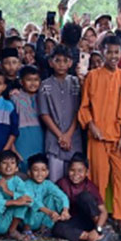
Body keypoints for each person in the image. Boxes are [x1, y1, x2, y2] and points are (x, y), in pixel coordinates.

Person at [78, 35, 121, 237]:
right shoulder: (93, 76)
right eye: (109, 52)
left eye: (117, 52)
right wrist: (91, 125)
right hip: (98, 136)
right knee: (98, 180)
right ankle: (98, 219)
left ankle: (120, 219)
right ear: (102, 52)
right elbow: (84, 106)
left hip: (118, 137)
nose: (113, 56)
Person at [38, 47, 83, 182]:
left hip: (73, 138)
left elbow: (79, 111)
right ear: (51, 63)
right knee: (54, 180)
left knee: (74, 179)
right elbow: (44, 114)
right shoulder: (45, 85)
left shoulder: (77, 83)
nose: (61, 64)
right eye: (57, 61)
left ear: (71, 63)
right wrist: (60, 136)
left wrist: (68, 135)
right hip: (54, 139)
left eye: (65, 61)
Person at [23, 153, 70, 236]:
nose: (40, 173)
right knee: (29, 202)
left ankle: (45, 228)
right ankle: (27, 230)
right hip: (28, 220)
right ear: (29, 172)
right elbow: (34, 202)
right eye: (36, 170)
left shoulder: (48, 184)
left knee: (54, 197)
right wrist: (50, 212)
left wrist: (65, 211)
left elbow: (62, 196)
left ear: (47, 172)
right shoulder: (26, 185)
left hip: (42, 218)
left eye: (43, 170)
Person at [11, 66, 43, 170]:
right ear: (21, 81)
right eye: (29, 80)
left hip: (39, 136)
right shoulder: (15, 97)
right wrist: (13, 148)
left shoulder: (43, 97)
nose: (33, 83)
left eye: (36, 80)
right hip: (21, 137)